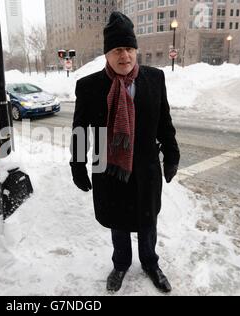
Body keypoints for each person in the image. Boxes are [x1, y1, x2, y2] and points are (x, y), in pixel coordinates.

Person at [70, 11, 180, 293]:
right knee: (118, 222)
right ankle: (120, 264)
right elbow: (80, 129)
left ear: (136, 50)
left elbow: (164, 123)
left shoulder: (154, 79)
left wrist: (172, 153)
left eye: (130, 49)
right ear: (107, 53)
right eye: (118, 49)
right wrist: (78, 166)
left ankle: (150, 262)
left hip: (145, 168)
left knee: (147, 221)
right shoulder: (89, 86)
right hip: (109, 169)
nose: (125, 56)